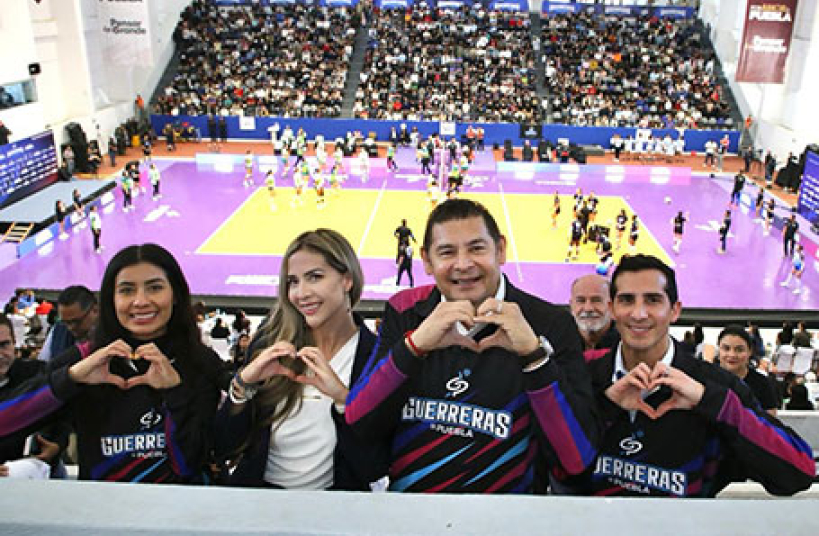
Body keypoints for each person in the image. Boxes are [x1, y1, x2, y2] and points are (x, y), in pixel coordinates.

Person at [345, 199, 596, 493]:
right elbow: (358, 420)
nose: (463, 264)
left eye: (477, 248)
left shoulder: (550, 323)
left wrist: (534, 357)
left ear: (500, 250)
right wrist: (414, 346)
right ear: (427, 261)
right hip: (413, 511)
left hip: (504, 515)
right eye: (447, 252)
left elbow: (576, 461)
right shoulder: (405, 311)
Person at [568, 254, 814, 497]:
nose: (639, 313)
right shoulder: (581, 375)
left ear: (675, 311)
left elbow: (798, 472)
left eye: (653, 300)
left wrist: (710, 402)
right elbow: (561, 472)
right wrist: (605, 407)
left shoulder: (716, 387)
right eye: (627, 300)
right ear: (612, 309)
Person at [0, 243, 223, 482]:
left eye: (155, 288)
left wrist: (174, 393)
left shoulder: (201, 362)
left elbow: (188, 465)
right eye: (127, 290)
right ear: (111, 299)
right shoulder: (85, 360)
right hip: (101, 504)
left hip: (177, 505)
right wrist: (70, 378)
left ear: (175, 294)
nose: (140, 301)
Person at [215, 229, 387, 490]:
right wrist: (243, 384)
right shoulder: (268, 344)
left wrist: (345, 401)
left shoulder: (376, 357)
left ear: (347, 280)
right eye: (293, 282)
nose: (301, 293)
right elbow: (225, 446)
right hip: (259, 503)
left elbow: (373, 467)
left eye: (315, 277)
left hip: (332, 508)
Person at [0, 315, 70, 480]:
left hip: (40, 470)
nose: (0, 355)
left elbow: (64, 413)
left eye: (4, 345)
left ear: (14, 342)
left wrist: (57, 445)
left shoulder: (37, 373)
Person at [716, 326, 779, 416]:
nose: (732, 355)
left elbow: (770, 419)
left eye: (739, 350)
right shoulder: (708, 380)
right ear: (718, 350)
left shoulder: (762, 383)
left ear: (750, 352)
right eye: (726, 348)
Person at [39, 286, 98, 362]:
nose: (70, 327)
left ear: (95, 310)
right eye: (65, 322)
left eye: (76, 321)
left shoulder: (109, 337)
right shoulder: (58, 331)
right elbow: (44, 364)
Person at [570, 274, 617, 358]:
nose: (588, 308)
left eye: (596, 300)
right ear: (571, 305)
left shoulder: (626, 343)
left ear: (612, 305)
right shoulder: (558, 343)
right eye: (581, 301)